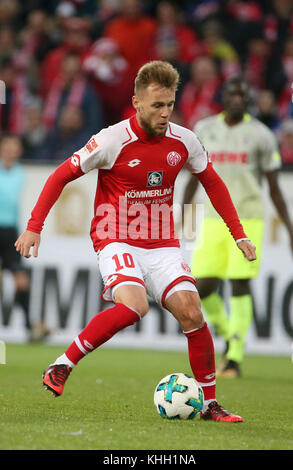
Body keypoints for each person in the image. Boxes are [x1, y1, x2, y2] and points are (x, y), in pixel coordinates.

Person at [15, 61, 256, 422]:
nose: (164, 113)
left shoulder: (184, 140)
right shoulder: (112, 139)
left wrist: (239, 234)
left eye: (170, 104)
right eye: (157, 105)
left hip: (162, 243)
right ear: (137, 102)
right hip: (115, 237)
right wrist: (35, 226)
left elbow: (214, 183)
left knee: (192, 312)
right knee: (134, 306)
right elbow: (59, 176)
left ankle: (208, 405)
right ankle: (63, 364)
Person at [182, 75, 293, 378]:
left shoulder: (261, 135)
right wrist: (186, 222)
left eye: (243, 94)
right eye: (232, 93)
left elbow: (273, 188)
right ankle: (227, 335)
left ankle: (234, 358)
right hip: (210, 219)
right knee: (202, 287)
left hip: (247, 218)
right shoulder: (204, 129)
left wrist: (290, 230)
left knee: (238, 283)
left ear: (248, 100)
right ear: (224, 96)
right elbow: (194, 179)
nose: (237, 98)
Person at [0, 134, 31, 333]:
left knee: (21, 280)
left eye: (15, 147)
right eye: (8, 146)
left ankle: (29, 325)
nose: (12, 150)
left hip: (11, 232)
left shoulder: (20, 174)